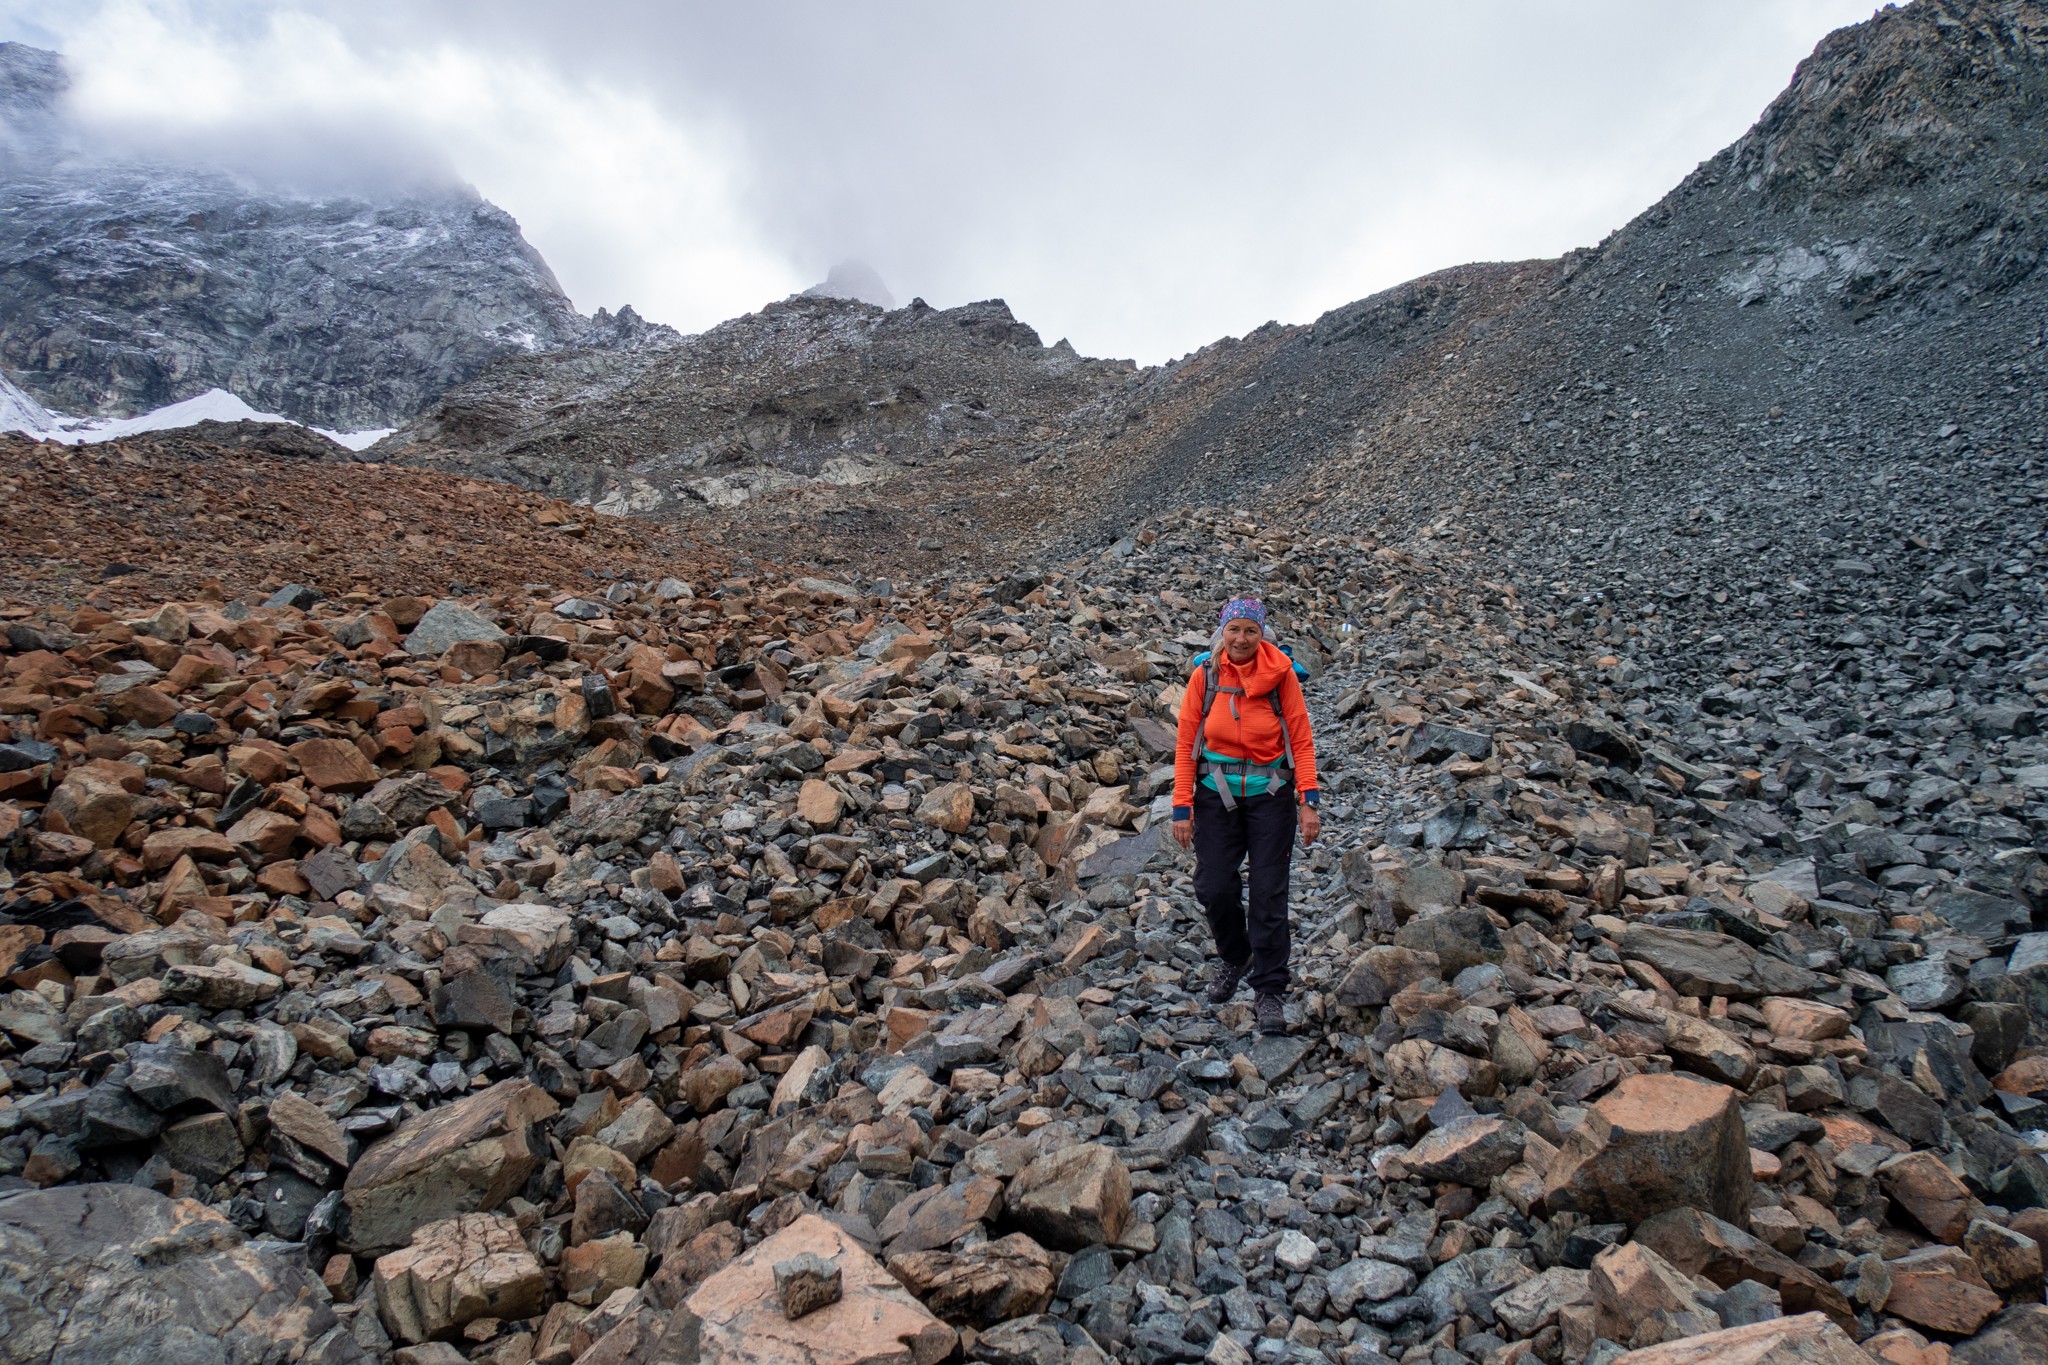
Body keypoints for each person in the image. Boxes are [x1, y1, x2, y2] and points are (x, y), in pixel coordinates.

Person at [1170, 597, 1321, 1034]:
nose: (1241, 638)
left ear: (1261, 635)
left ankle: (1269, 989)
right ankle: (1236, 956)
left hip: (1271, 796)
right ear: (1222, 633)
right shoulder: (1205, 676)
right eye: (1233, 629)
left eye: (1250, 631)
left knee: (1268, 894)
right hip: (1215, 795)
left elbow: (1301, 739)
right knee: (1213, 885)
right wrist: (1182, 807)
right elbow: (1186, 743)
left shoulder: (1282, 676)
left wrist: (1308, 801)